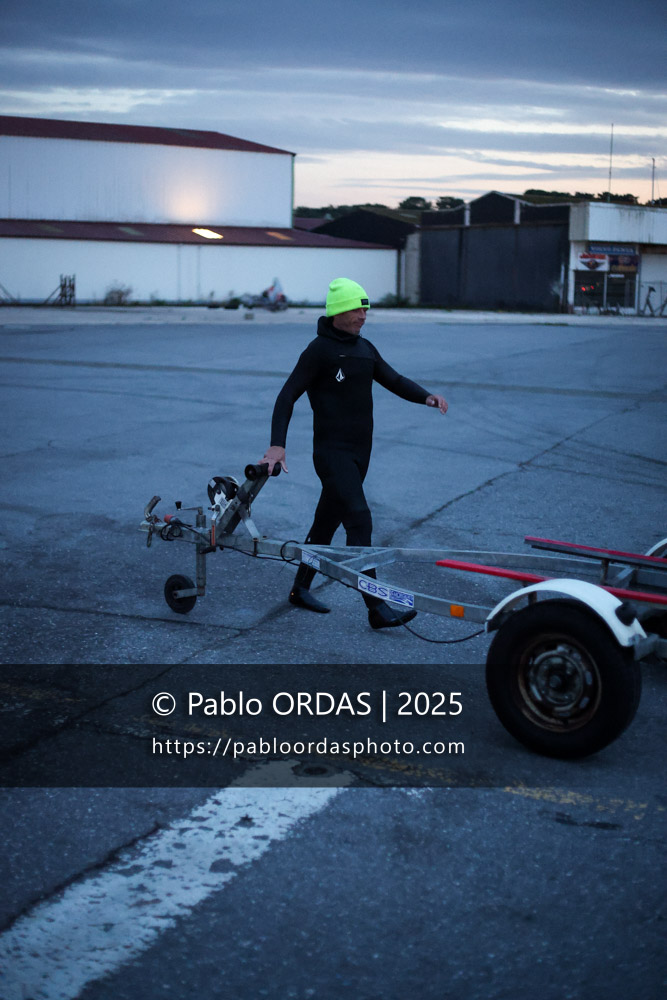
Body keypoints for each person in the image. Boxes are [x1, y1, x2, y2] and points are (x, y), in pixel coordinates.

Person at [262, 277, 448, 630]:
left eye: (365, 308)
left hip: (361, 454)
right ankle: (376, 606)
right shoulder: (319, 351)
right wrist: (277, 444)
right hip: (332, 454)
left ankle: (299, 589)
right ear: (338, 311)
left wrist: (426, 396)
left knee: (325, 524)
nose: (364, 314)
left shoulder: (364, 348)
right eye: (357, 308)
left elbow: (393, 379)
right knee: (359, 519)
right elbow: (286, 396)